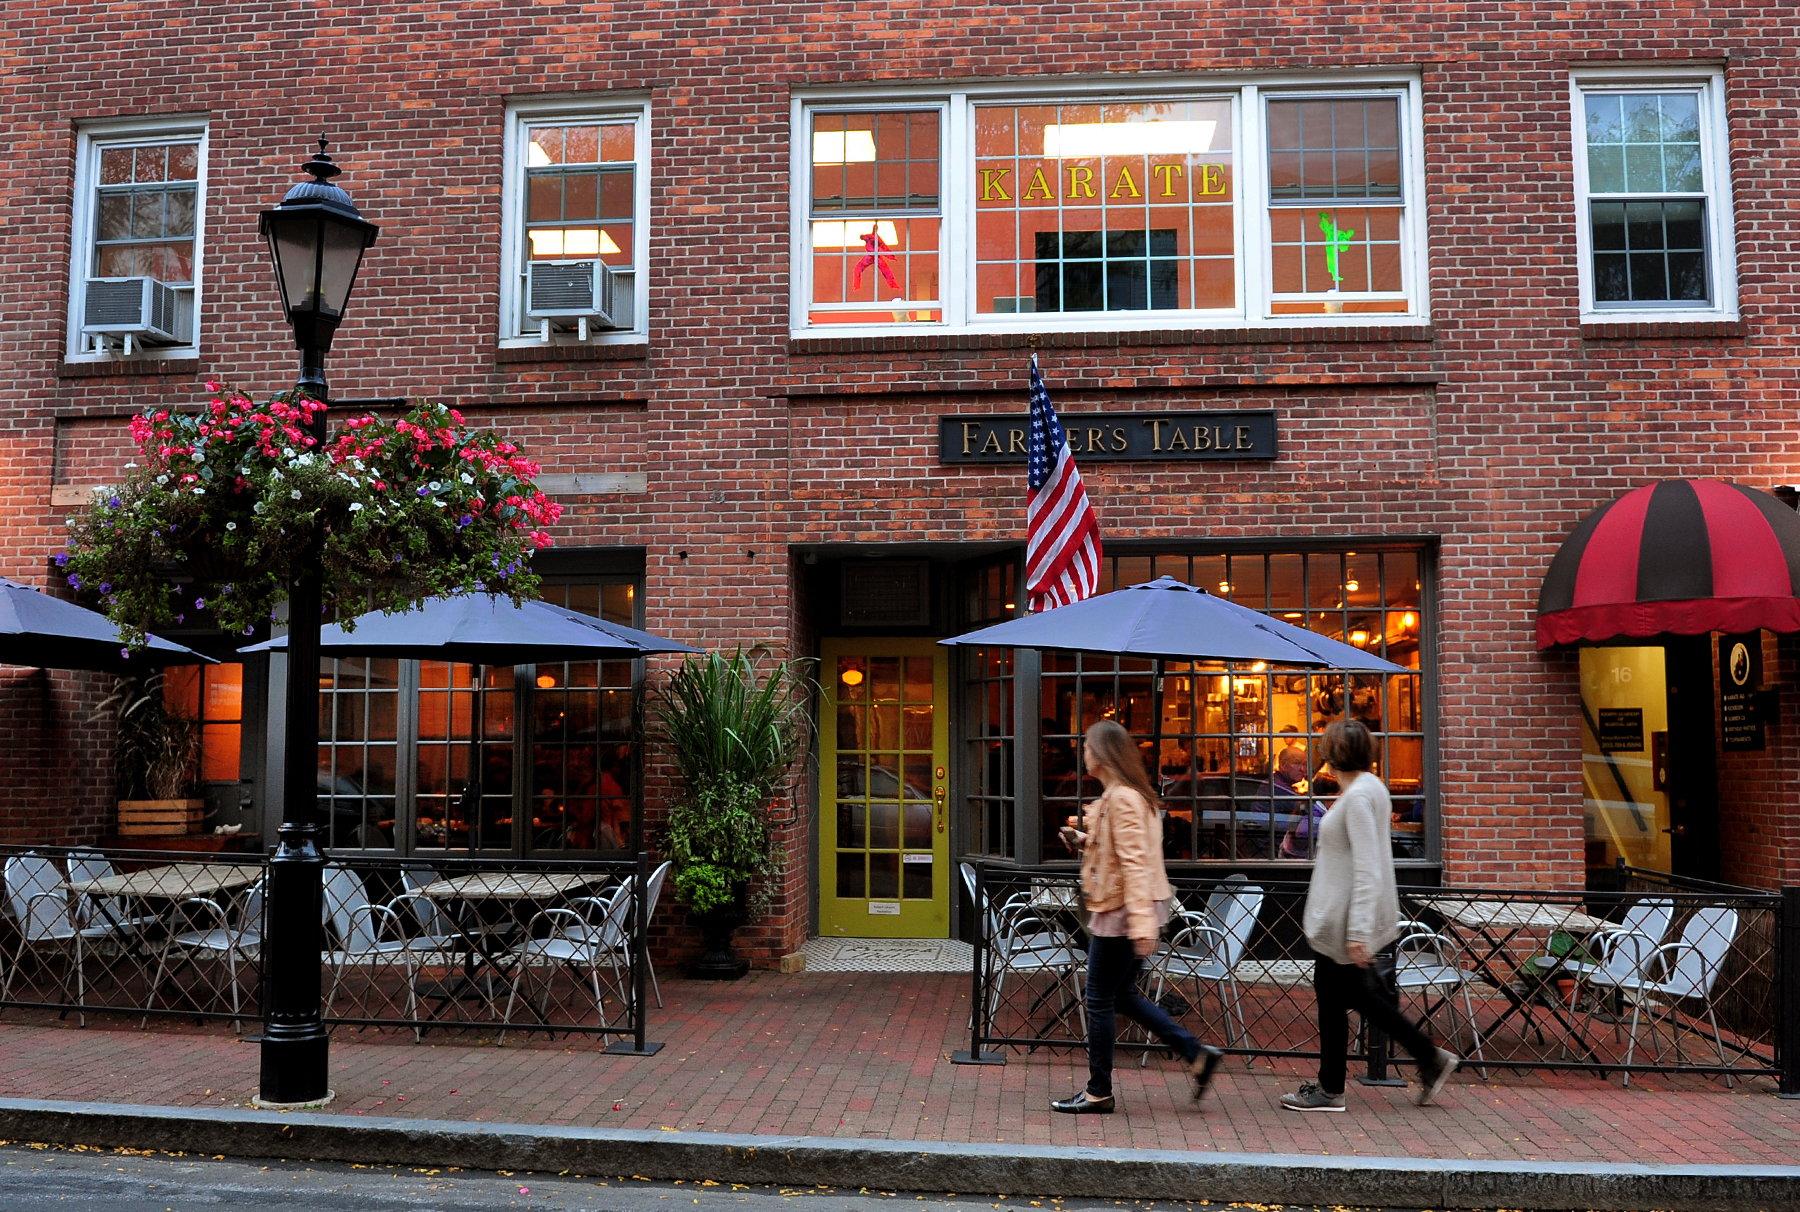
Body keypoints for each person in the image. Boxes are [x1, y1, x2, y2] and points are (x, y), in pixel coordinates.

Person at [1281, 720, 1459, 1112]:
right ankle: (1420, 1059)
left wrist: (1359, 930)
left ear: (1334, 754)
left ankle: (1340, 1087)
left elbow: (1367, 867)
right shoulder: (1368, 789)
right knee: (1343, 998)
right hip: (1343, 919)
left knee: (1348, 998)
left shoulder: (1359, 796)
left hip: (1345, 921)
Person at [1052, 719, 1223, 1115]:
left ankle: (1098, 1091)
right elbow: (1119, 853)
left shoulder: (1123, 799)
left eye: (1087, 746)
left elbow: (1135, 862)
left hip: (1124, 909)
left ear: (1104, 754)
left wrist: (1143, 923)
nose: (1083, 752)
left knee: (1098, 999)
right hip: (1127, 904)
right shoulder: (1121, 795)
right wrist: (1083, 841)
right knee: (1122, 995)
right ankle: (1196, 1054)